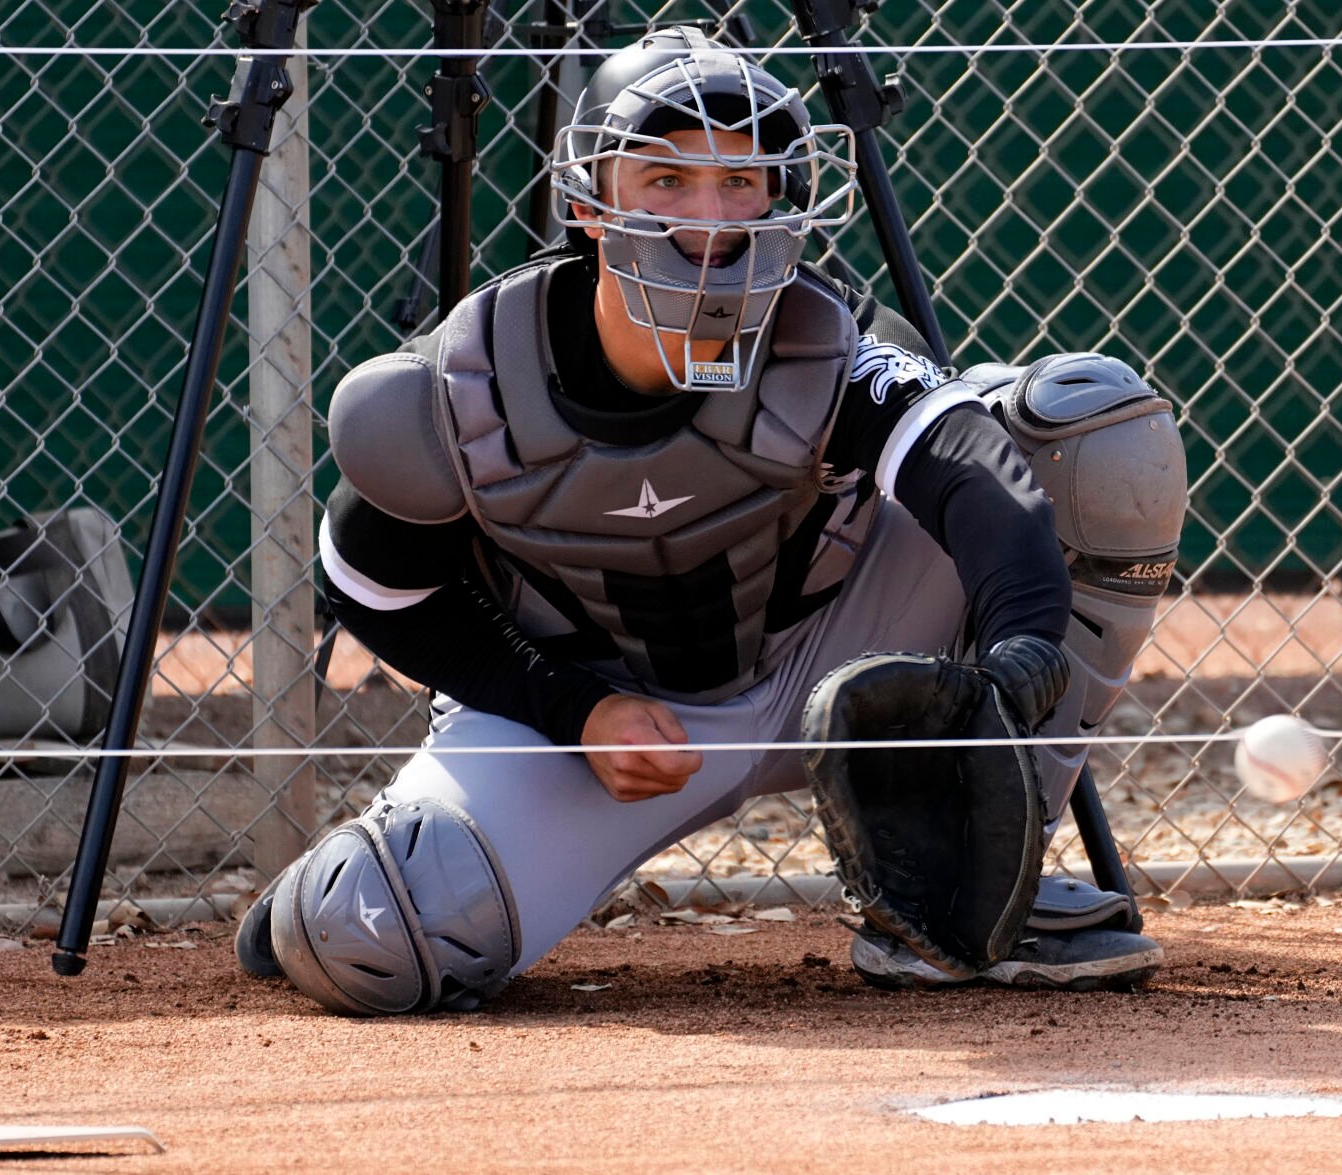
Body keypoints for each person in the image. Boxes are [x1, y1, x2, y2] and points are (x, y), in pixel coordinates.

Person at [235, 27, 1189, 1015]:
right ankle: (331, 879)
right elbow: (377, 594)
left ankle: (976, 887)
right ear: (585, 202)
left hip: (826, 655)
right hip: (586, 722)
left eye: (743, 182)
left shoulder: (825, 338)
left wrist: (1022, 646)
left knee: (1095, 432)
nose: (712, 217)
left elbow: (973, 476)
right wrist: (571, 710)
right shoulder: (467, 384)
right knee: (371, 938)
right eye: (665, 179)